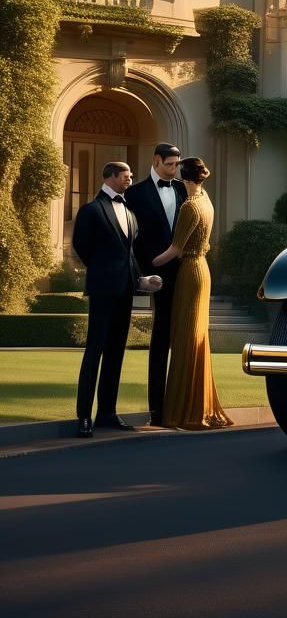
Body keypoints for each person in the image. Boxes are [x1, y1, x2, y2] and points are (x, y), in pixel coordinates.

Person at [72, 162, 160, 438]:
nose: (130, 181)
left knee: (116, 352)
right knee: (94, 350)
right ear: (110, 176)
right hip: (102, 289)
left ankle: (107, 413)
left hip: (125, 291)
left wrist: (142, 280)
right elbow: (81, 246)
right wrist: (102, 271)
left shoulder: (131, 214)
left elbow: (130, 255)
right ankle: (84, 416)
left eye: (131, 176)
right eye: (126, 176)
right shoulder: (91, 210)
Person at [152, 157, 232, 430]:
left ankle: (184, 410)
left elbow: (175, 250)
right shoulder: (206, 200)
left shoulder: (189, 206)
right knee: (195, 338)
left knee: (186, 339)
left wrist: (145, 266)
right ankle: (198, 404)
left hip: (190, 271)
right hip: (203, 270)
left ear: (183, 178)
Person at [124, 142, 186, 427]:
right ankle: (157, 409)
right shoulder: (134, 194)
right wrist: (144, 274)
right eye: (169, 165)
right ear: (156, 160)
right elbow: (132, 240)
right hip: (154, 275)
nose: (174, 170)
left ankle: (183, 404)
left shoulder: (184, 190)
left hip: (185, 273)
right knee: (160, 338)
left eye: (177, 165)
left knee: (184, 339)